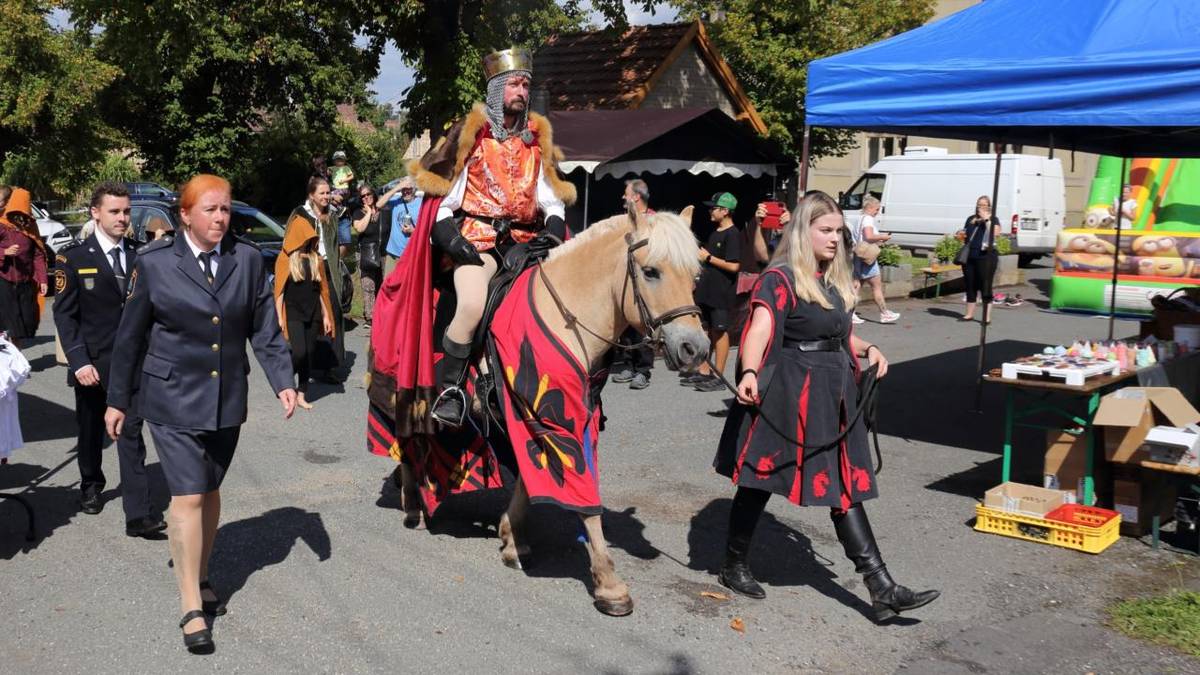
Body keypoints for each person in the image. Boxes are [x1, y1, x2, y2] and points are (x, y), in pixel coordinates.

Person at [712, 191, 939, 623]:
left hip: (833, 392)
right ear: (804, 231)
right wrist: (748, 372)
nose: (836, 238)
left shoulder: (831, 278)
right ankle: (733, 564)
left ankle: (881, 587)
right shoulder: (780, 278)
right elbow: (759, 329)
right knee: (760, 480)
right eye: (826, 230)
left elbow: (839, 334)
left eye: (838, 230)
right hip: (790, 391)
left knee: (843, 485)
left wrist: (869, 348)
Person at [104, 174, 296, 654]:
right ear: (185, 215)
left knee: (209, 490)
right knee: (188, 495)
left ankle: (203, 572)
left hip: (226, 397)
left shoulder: (246, 259)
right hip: (170, 398)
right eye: (210, 209)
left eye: (225, 209)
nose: (220, 218)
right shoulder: (154, 263)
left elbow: (264, 329)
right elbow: (129, 338)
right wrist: (117, 399)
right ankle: (191, 603)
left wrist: (284, 381)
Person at [399, 47, 574, 428]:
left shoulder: (535, 142)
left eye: (525, 85)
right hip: (477, 241)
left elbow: (551, 199)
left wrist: (552, 230)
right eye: (514, 84)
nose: (521, 91)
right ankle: (451, 391)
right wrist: (451, 239)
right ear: (497, 89)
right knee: (473, 304)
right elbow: (443, 201)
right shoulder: (471, 136)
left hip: (527, 243)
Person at [53, 182, 165, 534]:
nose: (122, 218)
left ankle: (138, 513)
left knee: (130, 431)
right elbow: (65, 316)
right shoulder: (73, 257)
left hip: (133, 364)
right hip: (94, 363)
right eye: (114, 211)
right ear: (95, 213)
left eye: (126, 211)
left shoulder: (142, 253)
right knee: (90, 429)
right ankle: (91, 484)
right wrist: (79, 361)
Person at [274, 211, 335, 409]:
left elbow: (321, 291)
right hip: (293, 311)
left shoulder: (315, 258)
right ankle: (284, 379)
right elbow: (279, 291)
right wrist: (279, 316)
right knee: (299, 352)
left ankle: (301, 393)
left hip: (314, 311)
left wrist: (326, 315)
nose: (307, 240)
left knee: (309, 353)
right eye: (305, 236)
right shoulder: (285, 259)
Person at [288, 177, 345, 379]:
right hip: (307, 268)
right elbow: (290, 242)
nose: (326, 196)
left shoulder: (332, 215)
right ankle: (304, 361)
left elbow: (336, 246)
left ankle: (330, 366)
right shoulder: (300, 214)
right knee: (312, 316)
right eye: (322, 193)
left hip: (328, 269)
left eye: (328, 192)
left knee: (334, 313)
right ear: (311, 195)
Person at [687, 192, 742, 393]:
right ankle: (704, 370)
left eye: (714, 208)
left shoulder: (733, 234)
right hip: (707, 290)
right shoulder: (715, 232)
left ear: (725, 211)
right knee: (706, 330)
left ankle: (719, 376)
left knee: (719, 331)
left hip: (721, 292)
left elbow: (734, 266)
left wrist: (708, 258)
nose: (710, 211)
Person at [610, 179, 656, 390]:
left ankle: (643, 371)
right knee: (626, 327)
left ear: (636, 197)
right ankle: (628, 365)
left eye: (626, 193)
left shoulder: (653, 220)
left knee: (642, 327)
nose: (623, 196)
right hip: (626, 281)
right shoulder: (625, 220)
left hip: (644, 282)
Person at [0, 188, 48, 344]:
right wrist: (4, 252)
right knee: (10, 325)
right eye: (16, 214)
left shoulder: (31, 227)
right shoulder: (2, 225)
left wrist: (43, 279)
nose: (20, 219)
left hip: (25, 282)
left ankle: (16, 353)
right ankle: (11, 355)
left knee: (25, 323)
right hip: (4, 280)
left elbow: (38, 255)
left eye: (24, 215)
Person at [851, 196, 899, 325]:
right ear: (870, 207)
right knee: (876, 286)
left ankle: (850, 313)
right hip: (868, 257)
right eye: (877, 209)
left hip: (859, 255)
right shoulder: (868, 219)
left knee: (856, 285)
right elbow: (869, 236)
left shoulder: (860, 218)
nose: (877, 212)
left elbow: (863, 237)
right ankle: (884, 313)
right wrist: (883, 236)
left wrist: (878, 238)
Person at [957, 195, 1001, 323]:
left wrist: (986, 219)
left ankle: (986, 317)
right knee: (970, 285)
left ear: (989, 207)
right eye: (979, 204)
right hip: (970, 256)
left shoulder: (993, 219)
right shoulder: (970, 219)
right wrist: (960, 235)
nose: (980, 207)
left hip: (986, 256)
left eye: (983, 205)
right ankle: (969, 314)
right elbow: (966, 234)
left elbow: (995, 233)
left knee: (985, 286)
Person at [352, 182, 383, 328]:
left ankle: (381, 314)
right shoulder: (358, 213)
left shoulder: (382, 210)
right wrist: (369, 212)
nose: (365, 197)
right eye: (362, 196)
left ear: (373, 194)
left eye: (368, 194)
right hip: (365, 252)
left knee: (382, 283)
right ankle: (370, 317)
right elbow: (359, 228)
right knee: (368, 285)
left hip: (382, 251)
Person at [382, 176, 420, 272]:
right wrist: (397, 188)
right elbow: (379, 204)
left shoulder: (422, 204)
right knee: (388, 280)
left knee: (408, 281)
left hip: (411, 254)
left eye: (409, 188)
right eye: (403, 188)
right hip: (392, 253)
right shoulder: (396, 201)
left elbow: (428, 229)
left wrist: (414, 231)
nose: (406, 191)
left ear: (414, 188)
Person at [330, 150, 355, 259]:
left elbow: (351, 176)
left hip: (343, 188)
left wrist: (344, 180)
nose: (339, 162)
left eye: (341, 160)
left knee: (336, 196)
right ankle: (341, 208)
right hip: (336, 188)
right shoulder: (333, 168)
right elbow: (327, 171)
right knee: (335, 197)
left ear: (344, 161)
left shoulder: (346, 168)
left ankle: (340, 208)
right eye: (337, 160)